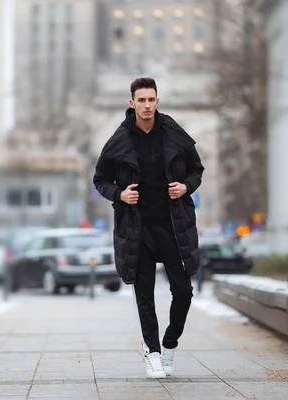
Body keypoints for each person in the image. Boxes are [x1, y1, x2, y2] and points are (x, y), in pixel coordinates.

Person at [93, 77, 204, 379]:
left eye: (151, 99)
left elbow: (197, 170)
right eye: (140, 100)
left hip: (172, 226)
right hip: (137, 229)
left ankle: (169, 345)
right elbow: (100, 179)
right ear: (132, 104)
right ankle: (152, 354)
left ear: (157, 101)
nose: (146, 105)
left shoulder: (172, 133)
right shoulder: (119, 140)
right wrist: (120, 194)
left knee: (183, 292)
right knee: (145, 297)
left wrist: (185, 187)